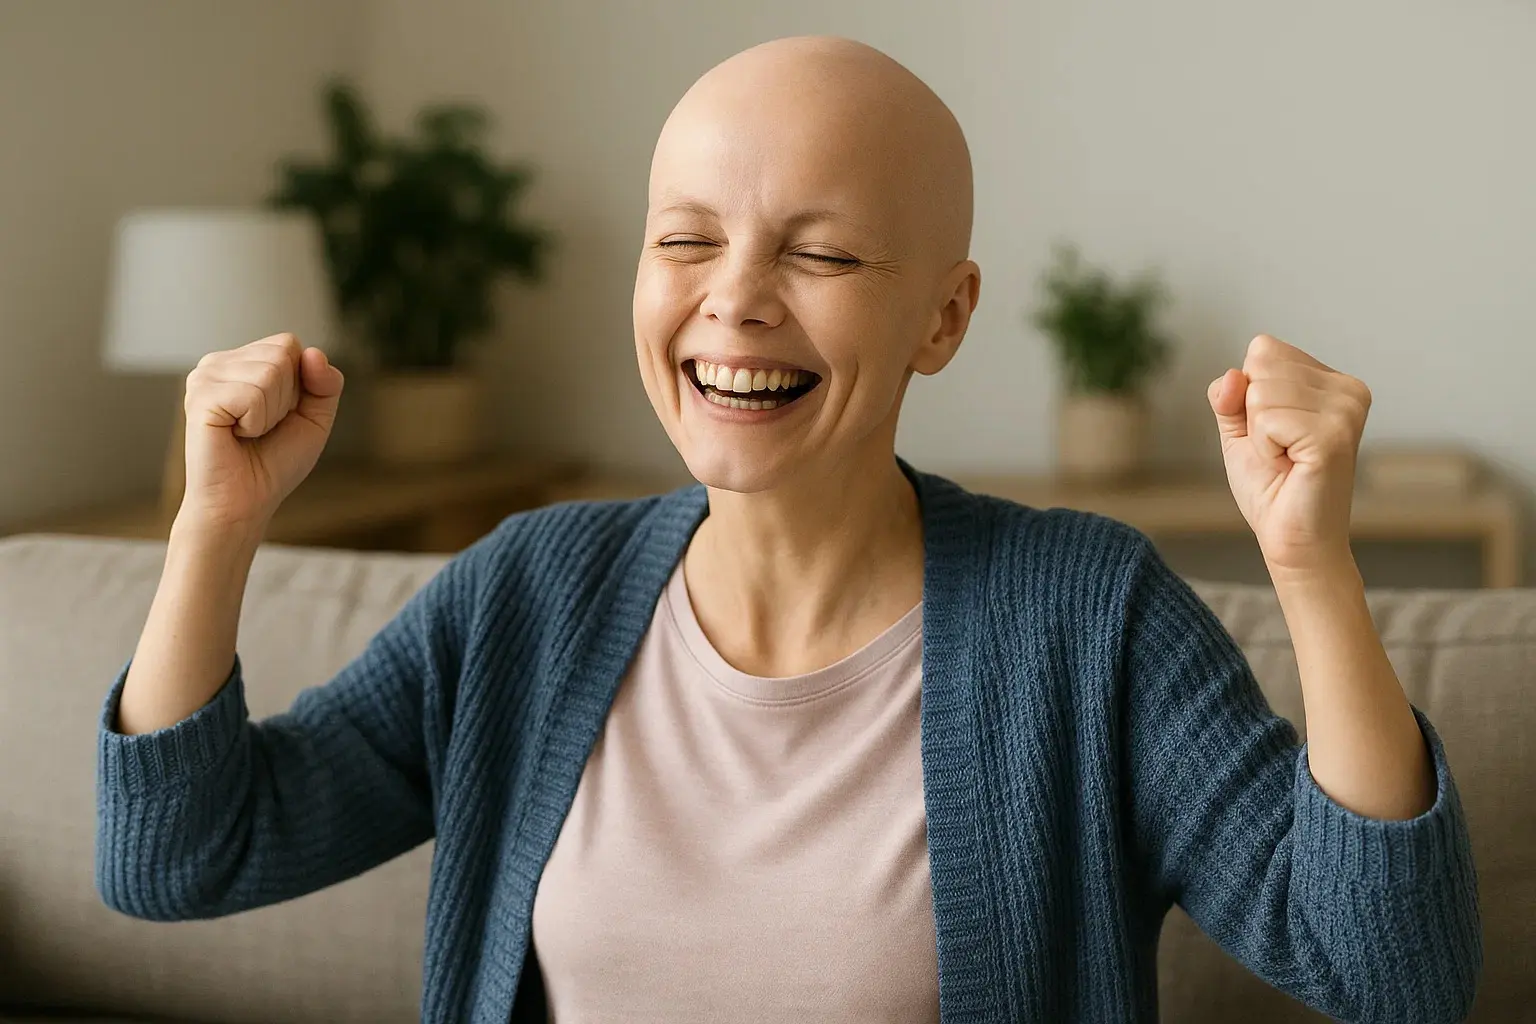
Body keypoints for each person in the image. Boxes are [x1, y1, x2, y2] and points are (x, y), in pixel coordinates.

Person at [96, 35, 1480, 1024]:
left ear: (943, 315)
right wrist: (216, 525)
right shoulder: (527, 590)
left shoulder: (1086, 614)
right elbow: (180, 858)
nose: (736, 300)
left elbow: (1388, 974)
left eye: (818, 254)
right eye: (686, 240)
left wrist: (1311, 564)